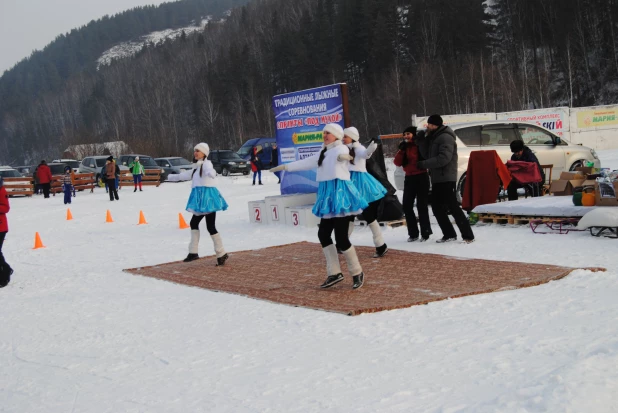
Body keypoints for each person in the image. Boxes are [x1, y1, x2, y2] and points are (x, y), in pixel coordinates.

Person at [269, 124, 369, 289]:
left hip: (340, 194)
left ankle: (357, 271)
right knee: (323, 234)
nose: (325, 135)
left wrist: (344, 158)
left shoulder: (341, 149)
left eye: (328, 133)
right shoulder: (324, 151)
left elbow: (344, 154)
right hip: (327, 194)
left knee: (342, 239)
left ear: (336, 135)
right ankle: (334, 272)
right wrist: (286, 167)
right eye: (323, 133)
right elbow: (307, 162)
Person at [167, 143, 229, 266]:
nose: (195, 153)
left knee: (210, 226)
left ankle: (220, 254)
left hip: (208, 199)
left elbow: (209, 171)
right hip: (200, 200)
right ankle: (194, 252)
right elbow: (183, 176)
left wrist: (212, 173)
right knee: (195, 223)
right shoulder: (196, 167)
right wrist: (168, 176)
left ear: (204, 153)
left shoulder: (206, 164)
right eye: (195, 151)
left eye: (198, 151)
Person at [416, 115, 475, 244]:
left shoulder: (445, 137)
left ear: (436, 125)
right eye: (428, 124)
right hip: (438, 178)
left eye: (430, 125)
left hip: (446, 177)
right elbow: (427, 155)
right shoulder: (434, 137)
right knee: (437, 207)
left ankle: (468, 235)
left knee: (453, 206)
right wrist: (421, 141)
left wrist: (424, 164)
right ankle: (449, 234)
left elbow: (444, 159)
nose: (428, 127)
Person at [342, 126, 388, 258]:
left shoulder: (359, 148)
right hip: (349, 181)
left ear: (352, 137)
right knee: (349, 213)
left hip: (360, 183)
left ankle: (380, 244)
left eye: (346, 136)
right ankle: (343, 243)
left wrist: (370, 150)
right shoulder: (345, 149)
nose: (343, 138)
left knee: (367, 213)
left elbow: (365, 154)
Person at [393, 126, 432, 242]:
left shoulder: (419, 144)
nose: (406, 136)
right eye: (404, 134)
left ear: (414, 134)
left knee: (421, 205)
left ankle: (425, 233)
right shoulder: (404, 147)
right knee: (407, 205)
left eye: (408, 134)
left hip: (421, 176)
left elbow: (419, 158)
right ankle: (413, 233)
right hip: (409, 178)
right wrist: (401, 150)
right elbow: (397, 162)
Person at [0, 177, 12, 288]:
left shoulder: (1, 190)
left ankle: (4, 274)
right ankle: (6, 269)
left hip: (1, 226)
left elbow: (6, 207)